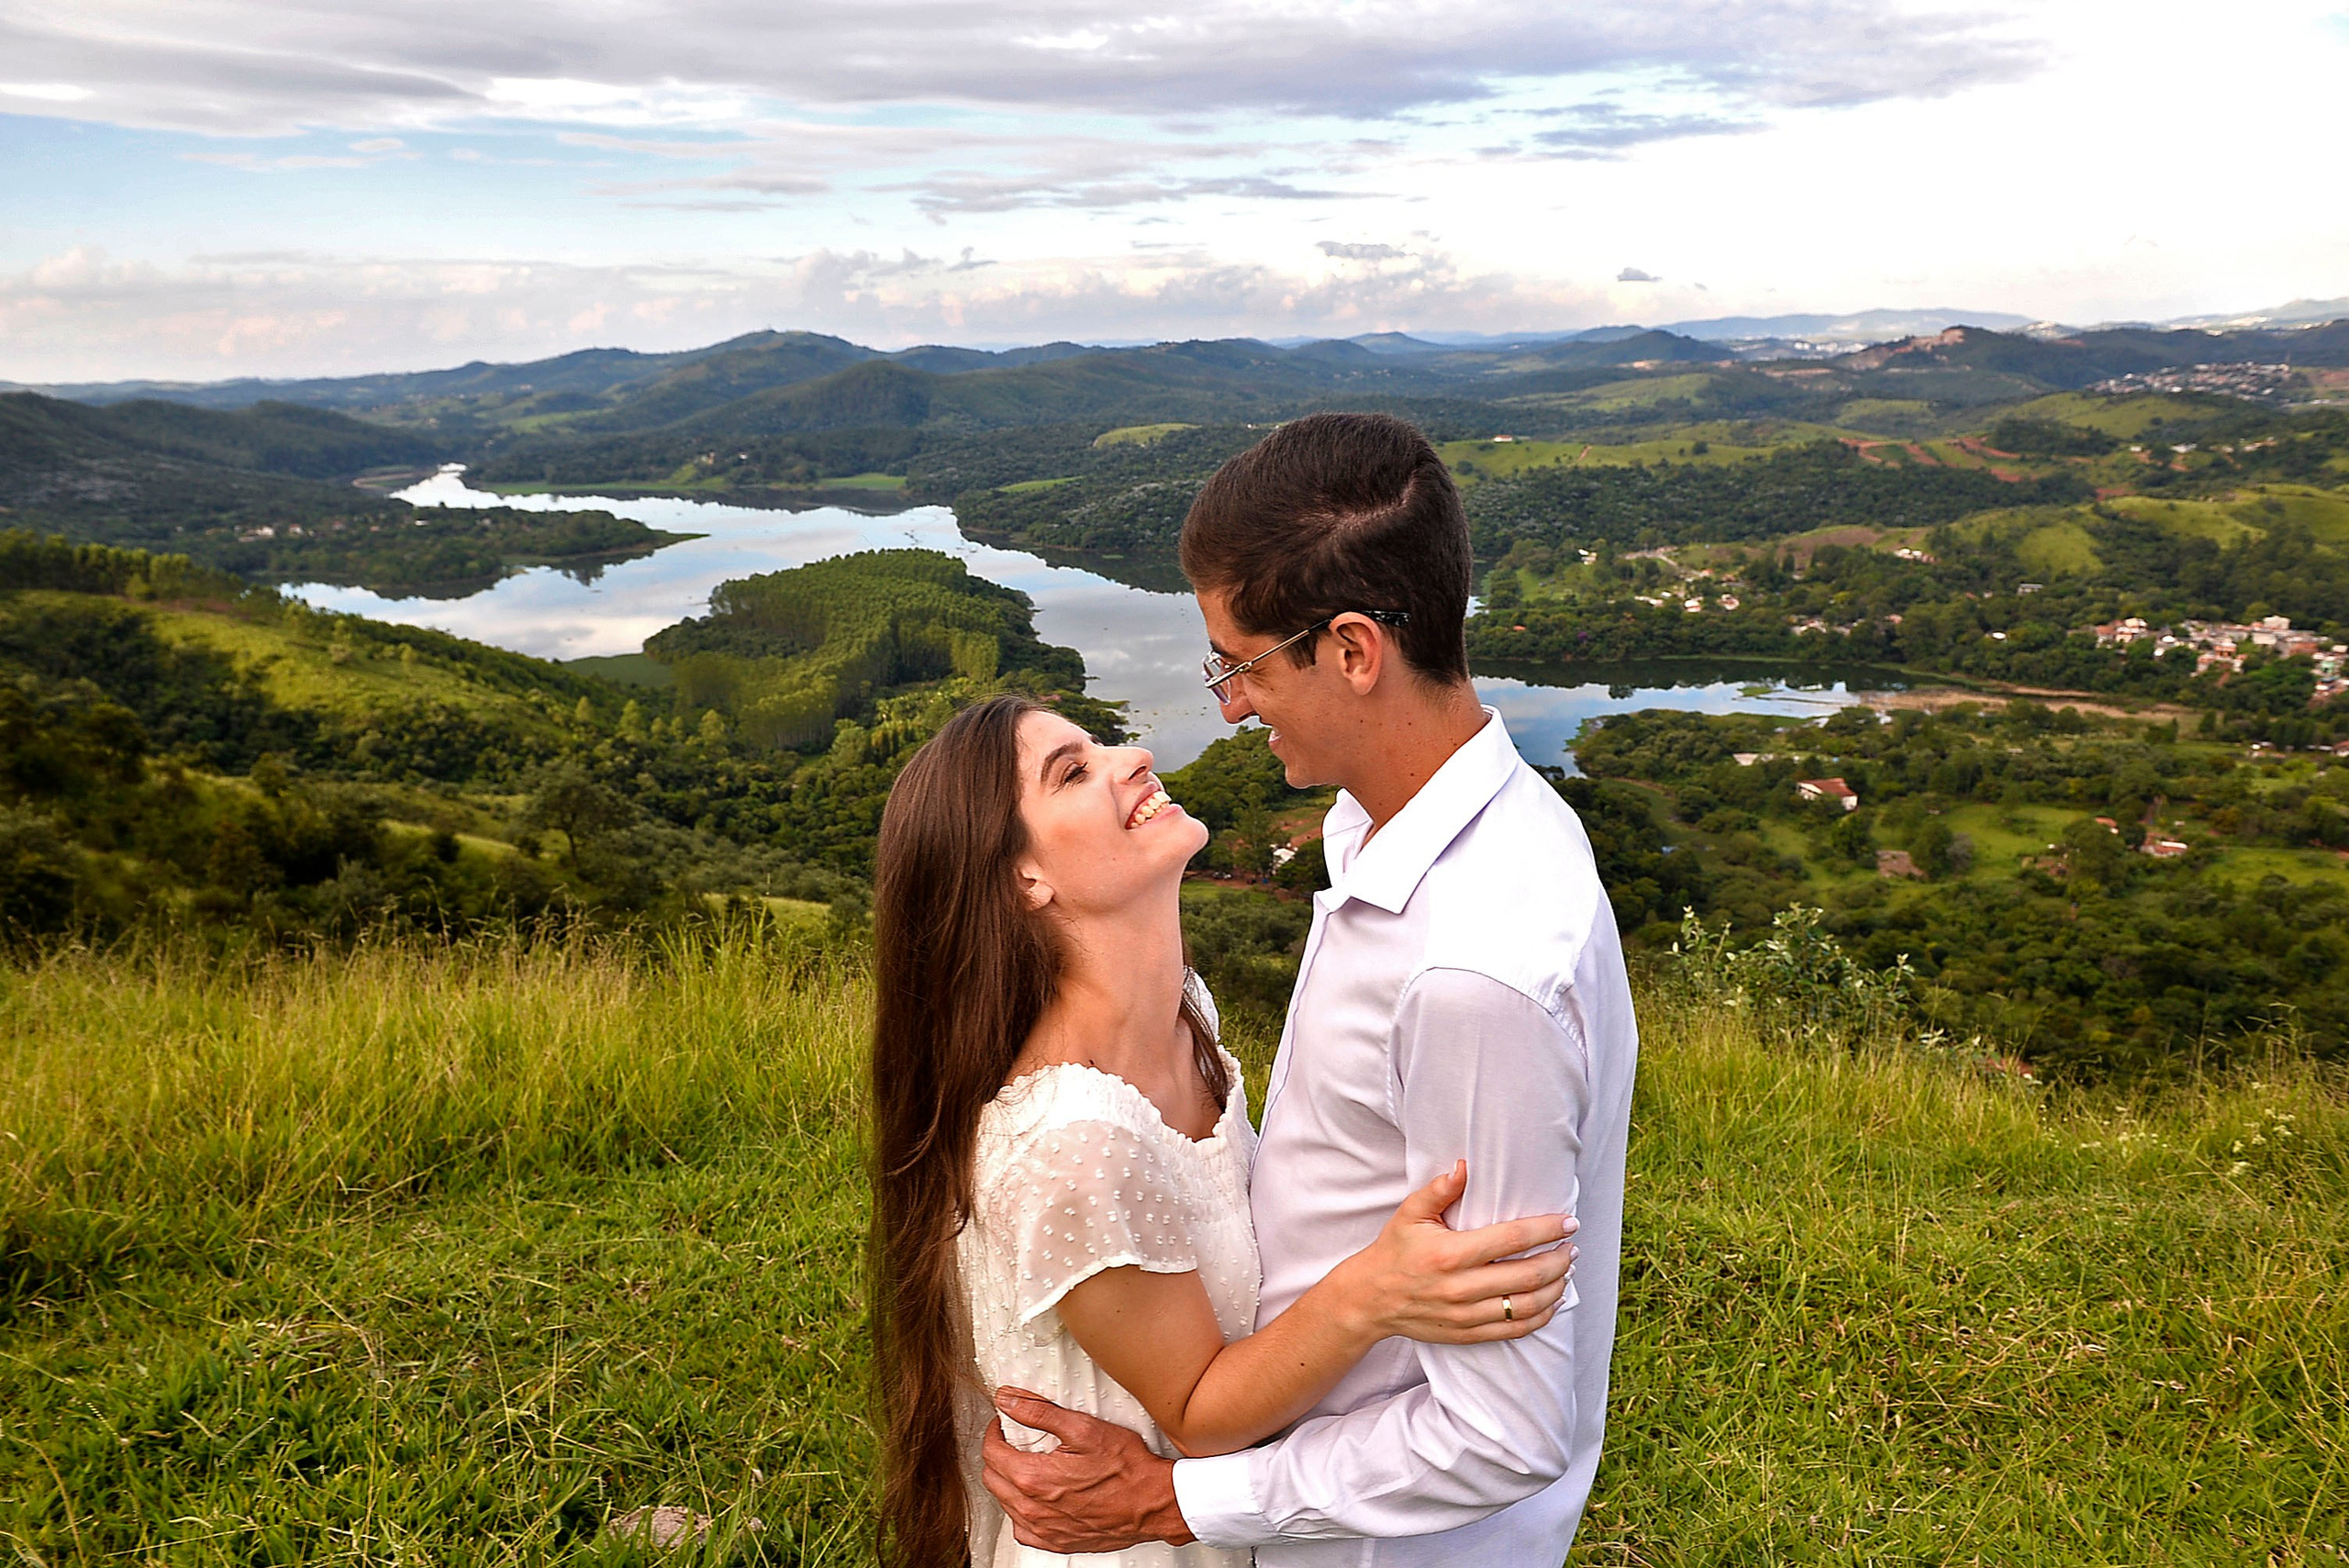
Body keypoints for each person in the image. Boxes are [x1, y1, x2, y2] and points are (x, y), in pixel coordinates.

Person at [979, 412, 1641, 1564]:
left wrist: (1173, 1503)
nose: (1228, 704)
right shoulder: (1437, 826)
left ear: (1349, 650)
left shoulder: (1465, 976)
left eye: (1239, 663)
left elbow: (1499, 1431)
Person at [871, 693, 1584, 1567]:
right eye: (1073, 771)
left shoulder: (1184, 1016)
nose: (1130, 755)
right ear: (1025, 879)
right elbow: (1197, 1410)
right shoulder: (1076, 1141)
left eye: (1099, 741)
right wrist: (1375, 1290)